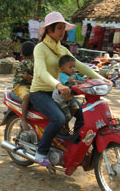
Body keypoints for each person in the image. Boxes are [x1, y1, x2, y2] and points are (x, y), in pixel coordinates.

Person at [30, 11, 106, 167]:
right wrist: (58, 84)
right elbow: (41, 72)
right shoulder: (40, 48)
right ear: (49, 29)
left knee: (84, 113)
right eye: (59, 28)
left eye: (63, 28)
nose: (62, 32)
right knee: (59, 118)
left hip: (58, 91)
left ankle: (74, 146)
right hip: (40, 92)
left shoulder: (63, 50)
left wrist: (102, 79)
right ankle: (41, 152)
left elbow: (80, 66)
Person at [52, 55, 84, 132]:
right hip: (60, 100)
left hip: (69, 97)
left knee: (76, 108)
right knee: (67, 115)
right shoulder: (62, 75)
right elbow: (71, 81)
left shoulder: (73, 75)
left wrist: (87, 79)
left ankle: (66, 123)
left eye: (74, 67)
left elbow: (81, 79)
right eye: (70, 67)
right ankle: (63, 126)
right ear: (62, 69)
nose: (73, 69)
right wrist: (80, 82)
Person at [13, 41, 35, 131]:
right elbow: (26, 76)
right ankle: (24, 120)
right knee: (27, 97)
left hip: (30, 85)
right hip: (21, 85)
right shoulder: (28, 63)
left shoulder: (31, 62)